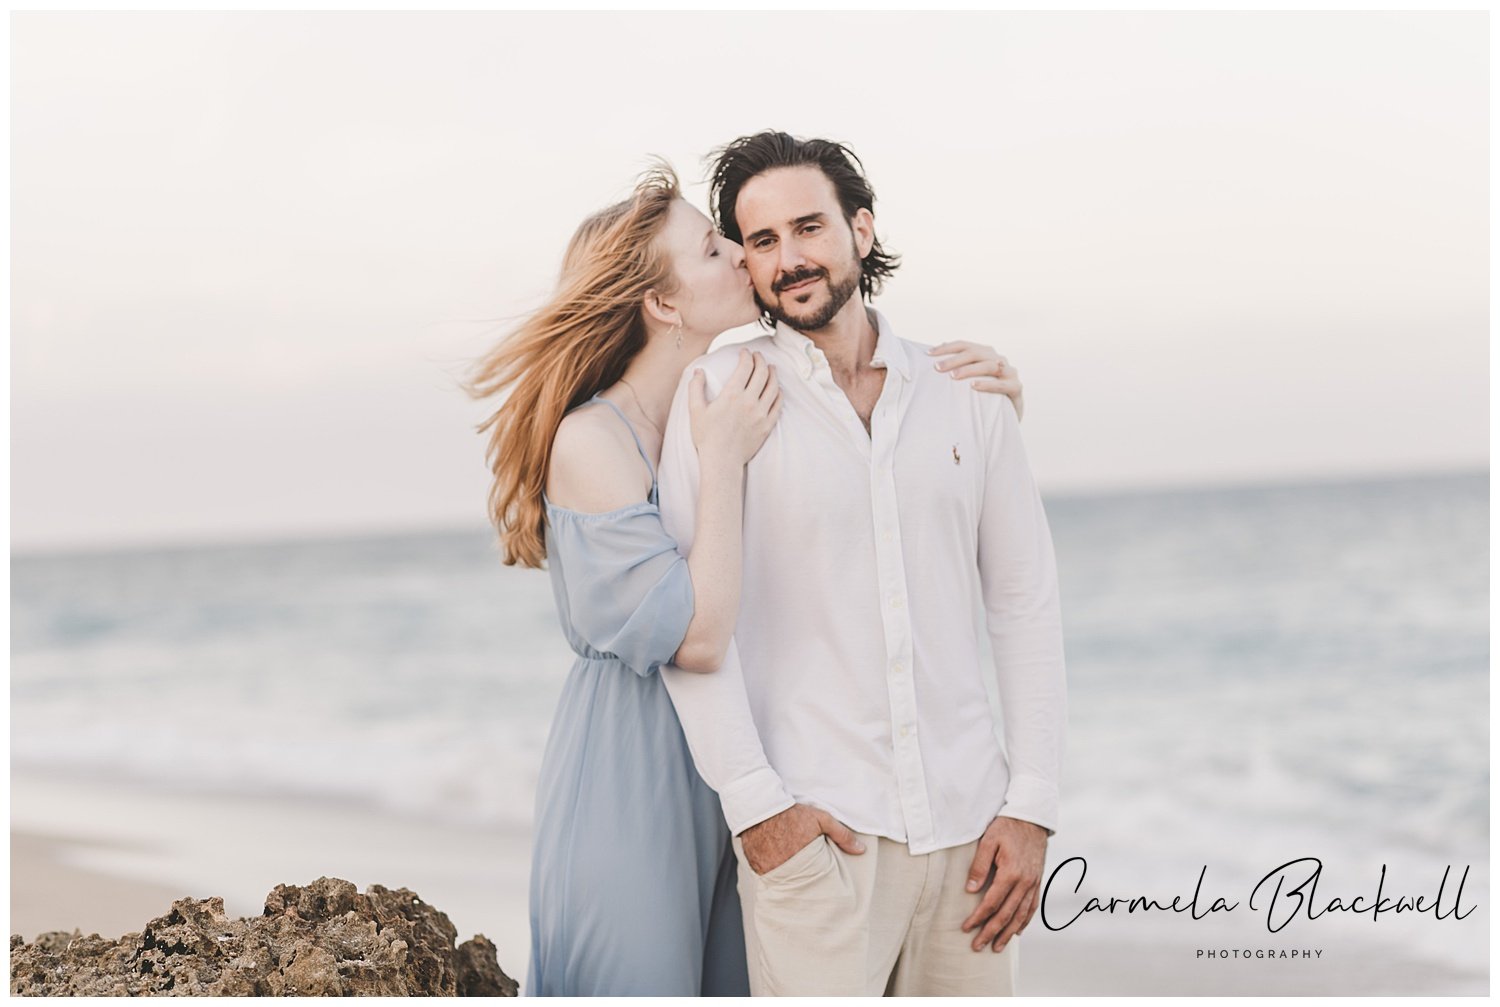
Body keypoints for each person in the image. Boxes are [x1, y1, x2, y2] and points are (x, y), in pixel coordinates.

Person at [463, 163, 1026, 996]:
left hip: (735, 763)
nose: (743, 256)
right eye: (713, 245)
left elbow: (869, 532)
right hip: (638, 775)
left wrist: (988, 418)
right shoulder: (596, 441)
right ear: (662, 303)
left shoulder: (730, 399)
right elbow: (698, 635)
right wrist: (720, 460)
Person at [655, 132, 1068, 997]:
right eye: (762, 241)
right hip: (821, 840)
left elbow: (1024, 604)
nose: (791, 258)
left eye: (809, 227)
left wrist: (1031, 803)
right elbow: (693, 624)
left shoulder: (967, 393)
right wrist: (757, 808)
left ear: (862, 229)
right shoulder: (716, 394)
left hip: (973, 840)